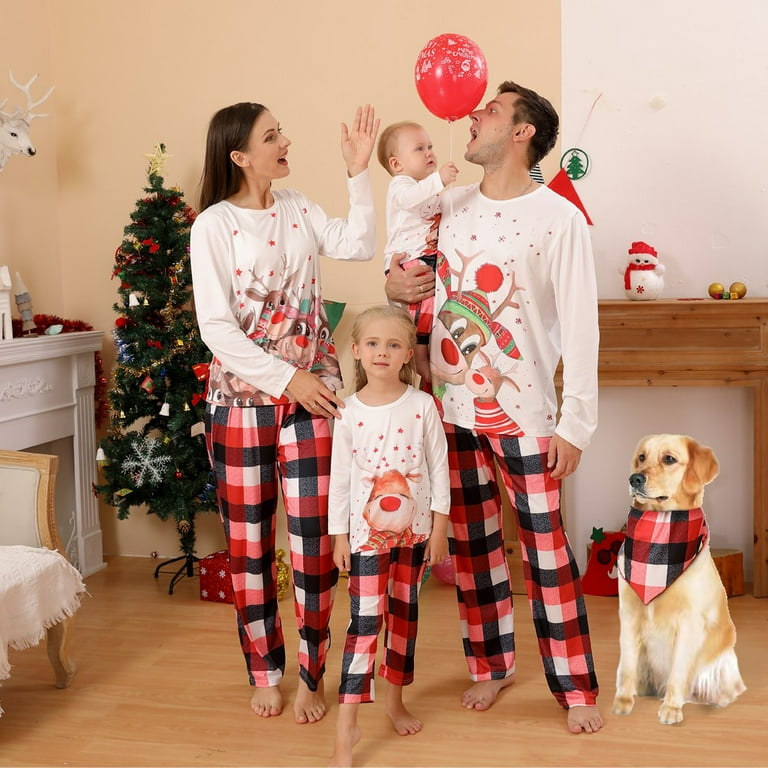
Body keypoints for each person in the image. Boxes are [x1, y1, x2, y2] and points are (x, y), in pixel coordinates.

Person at [385, 81, 604, 734]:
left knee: (546, 553)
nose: (474, 115)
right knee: (474, 551)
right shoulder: (447, 205)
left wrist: (576, 424)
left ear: (522, 132)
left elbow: (582, 327)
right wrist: (393, 283)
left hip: (527, 415)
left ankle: (575, 687)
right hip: (451, 412)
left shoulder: (559, 218)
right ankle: (491, 665)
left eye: (492, 110)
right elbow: (405, 276)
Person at [190, 101, 379, 724]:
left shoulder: (298, 206)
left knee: (314, 546)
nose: (285, 142)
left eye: (281, 132)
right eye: (271, 136)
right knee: (248, 547)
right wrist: (287, 378)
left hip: (313, 398)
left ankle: (312, 674)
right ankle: (265, 670)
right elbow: (217, 327)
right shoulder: (213, 225)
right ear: (240, 155)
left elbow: (359, 243)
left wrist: (358, 171)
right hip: (241, 404)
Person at [327, 305, 450, 767]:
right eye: (373, 343)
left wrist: (439, 529)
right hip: (365, 540)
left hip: (415, 537)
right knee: (364, 625)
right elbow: (340, 482)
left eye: (393, 344)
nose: (382, 352)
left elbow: (440, 470)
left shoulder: (422, 406)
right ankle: (346, 728)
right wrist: (339, 537)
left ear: (406, 354)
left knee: (404, 619)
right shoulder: (347, 412)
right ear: (357, 351)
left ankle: (395, 702)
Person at [377, 121, 458, 387]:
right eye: (419, 149)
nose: (429, 153)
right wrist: (439, 180)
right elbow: (409, 198)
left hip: (427, 258)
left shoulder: (427, 189)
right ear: (397, 164)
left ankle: (429, 355)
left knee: (432, 310)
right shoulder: (401, 185)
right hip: (410, 260)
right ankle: (420, 358)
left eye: (430, 146)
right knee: (421, 312)